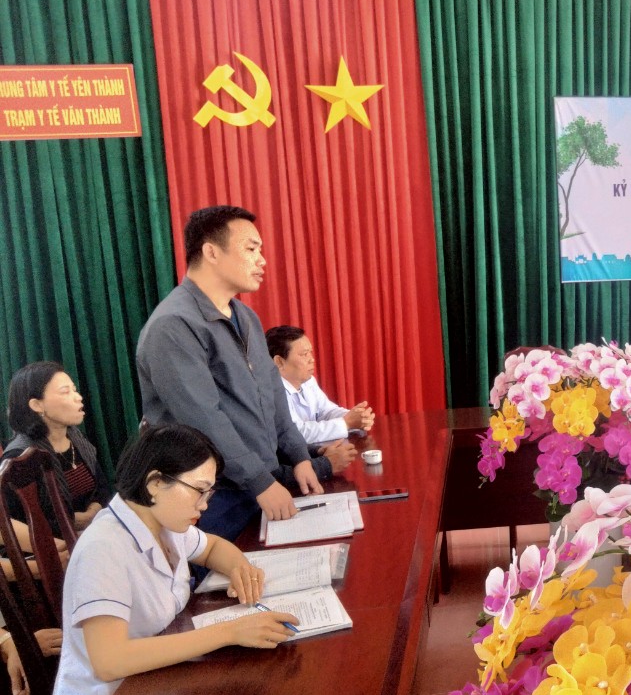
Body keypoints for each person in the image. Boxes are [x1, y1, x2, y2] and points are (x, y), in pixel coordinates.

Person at [43, 425, 298, 695]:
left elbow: (212, 548)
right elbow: (110, 660)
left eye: (209, 493)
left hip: (153, 687)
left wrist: (240, 567)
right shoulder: (103, 548)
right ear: (155, 482)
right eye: (199, 491)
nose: (204, 505)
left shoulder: (164, 522)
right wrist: (230, 632)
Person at [135, 205, 320, 539]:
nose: (262, 260)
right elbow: (204, 419)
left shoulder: (247, 318)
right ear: (211, 252)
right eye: (251, 249)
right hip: (211, 499)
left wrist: (299, 456)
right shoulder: (173, 325)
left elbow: (273, 394)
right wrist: (260, 481)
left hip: (257, 485)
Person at [2, 363, 110, 588]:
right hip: (53, 557)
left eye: (74, 390)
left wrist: (93, 512)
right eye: (65, 392)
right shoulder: (20, 457)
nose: (78, 397)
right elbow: (17, 522)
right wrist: (74, 526)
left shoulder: (77, 439)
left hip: (88, 537)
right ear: (36, 405)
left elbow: (102, 487)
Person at [265, 325, 370, 477]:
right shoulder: (271, 392)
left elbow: (326, 410)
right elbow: (295, 434)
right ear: (279, 362)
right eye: (304, 354)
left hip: (316, 454)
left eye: (311, 352)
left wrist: (355, 416)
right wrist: (346, 423)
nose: (312, 359)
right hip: (293, 468)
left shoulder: (308, 381)